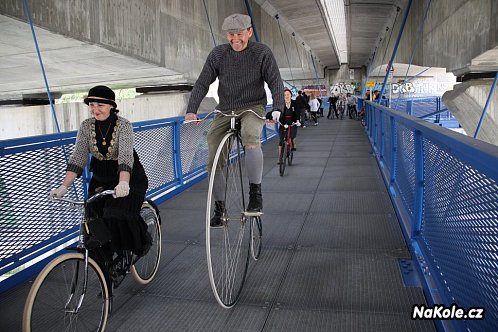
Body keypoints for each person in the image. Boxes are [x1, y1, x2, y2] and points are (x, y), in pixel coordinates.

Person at [184, 13, 284, 227]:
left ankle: (255, 195)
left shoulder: (261, 53)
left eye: (239, 34)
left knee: (250, 134)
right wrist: (191, 110)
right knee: (213, 147)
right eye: (230, 34)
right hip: (225, 109)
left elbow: (275, 80)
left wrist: (277, 108)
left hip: (253, 107)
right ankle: (220, 208)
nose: (235, 39)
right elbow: (202, 83)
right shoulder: (218, 54)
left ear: (249, 32)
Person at [49, 85, 151, 281]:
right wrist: (63, 187)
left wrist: (123, 184)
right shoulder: (86, 126)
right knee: (93, 223)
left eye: (100, 105)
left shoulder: (123, 125)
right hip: (102, 178)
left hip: (129, 177)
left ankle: (141, 242)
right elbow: (78, 157)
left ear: (111, 106)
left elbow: (125, 157)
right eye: (92, 105)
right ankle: (106, 266)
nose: (96, 109)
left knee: (117, 212)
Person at [276, 88, 300, 162]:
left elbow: (297, 112)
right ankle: (280, 158)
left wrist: (297, 120)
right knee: (281, 140)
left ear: (291, 95)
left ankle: (293, 145)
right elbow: (277, 112)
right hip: (283, 123)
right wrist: (275, 118)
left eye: (288, 94)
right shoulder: (281, 104)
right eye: (284, 95)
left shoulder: (295, 103)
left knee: (292, 137)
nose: (286, 96)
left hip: (292, 123)